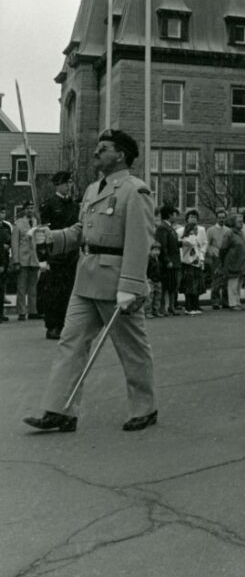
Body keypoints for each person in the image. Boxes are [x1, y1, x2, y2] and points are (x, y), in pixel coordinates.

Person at [23, 128, 157, 433]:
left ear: (120, 155)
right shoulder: (92, 190)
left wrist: (132, 286)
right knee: (70, 344)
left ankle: (144, 407)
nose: (96, 152)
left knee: (132, 348)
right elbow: (80, 233)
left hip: (117, 283)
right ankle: (60, 410)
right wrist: (50, 237)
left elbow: (139, 242)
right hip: (86, 278)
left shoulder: (136, 191)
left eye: (104, 147)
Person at [39, 170, 80, 339]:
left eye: (70, 183)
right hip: (55, 256)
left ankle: (65, 323)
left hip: (71, 255)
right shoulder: (49, 206)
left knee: (69, 290)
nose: (68, 186)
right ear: (57, 185)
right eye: (65, 183)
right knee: (54, 292)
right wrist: (42, 258)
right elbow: (41, 233)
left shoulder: (75, 206)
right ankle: (53, 325)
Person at [11, 201, 41, 321]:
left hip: (34, 259)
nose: (30, 210)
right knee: (21, 288)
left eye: (32, 208)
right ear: (23, 210)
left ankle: (33, 311)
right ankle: (22, 312)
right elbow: (15, 244)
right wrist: (16, 261)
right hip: (23, 260)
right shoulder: (18, 224)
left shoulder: (36, 223)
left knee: (33, 288)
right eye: (28, 208)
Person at [219, 214, 245, 309]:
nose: (242, 223)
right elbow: (223, 248)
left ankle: (237, 302)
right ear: (233, 223)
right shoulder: (229, 234)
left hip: (241, 262)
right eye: (239, 222)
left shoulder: (240, 233)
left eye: (242, 221)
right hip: (233, 261)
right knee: (233, 283)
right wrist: (223, 262)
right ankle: (232, 303)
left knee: (239, 283)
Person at [156, 204, 181, 315]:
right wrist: (167, 261)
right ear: (169, 215)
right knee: (166, 286)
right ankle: (164, 308)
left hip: (174, 260)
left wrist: (182, 243)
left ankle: (171, 306)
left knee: (172, 285)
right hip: (168, 262)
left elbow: (173, 243)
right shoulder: (163, 228)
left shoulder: (169, 227)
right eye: (174, 214)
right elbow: (163, 245)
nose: (176, 216)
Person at [179, 211, 205, 315]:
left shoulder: (201, 230)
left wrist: (201, 257)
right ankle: (188, 306)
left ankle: (195, 305)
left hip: (197, 261)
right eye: (191, 217)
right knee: (189, 285)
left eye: (195, 217)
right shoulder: (181, 231)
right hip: (187, 261)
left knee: (197, 284)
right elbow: (180, 246)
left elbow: (202, 244)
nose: (193, 219)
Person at [206, 207, 230, 309]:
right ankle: (215, 302)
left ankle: (225, 301)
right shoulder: (211, 230)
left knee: (226, 279)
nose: (221, 219)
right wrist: (211, 252)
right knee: (216, 279)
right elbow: (207, 243)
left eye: (223, 217)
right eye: (220, 217)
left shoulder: (228, 230)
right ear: (217, 218)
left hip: (226, 256)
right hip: (215, 256)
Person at [0, 206, 12, 323]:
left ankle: (1, 312)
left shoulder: (7, 226)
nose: (2, 214)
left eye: (3, 212)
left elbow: (11, 240)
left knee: (2, 287)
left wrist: (9, 245)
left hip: (5, 259)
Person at [146, 241, 163, 318]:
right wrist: (147, 278)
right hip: (151, 280)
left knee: (157, 296)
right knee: (150, 297)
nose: (157, 252)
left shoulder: (158, 260)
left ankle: (156, 310)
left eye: (158, 250)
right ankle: (148, 311)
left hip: (158, 280)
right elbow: (146, 270)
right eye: (155, 250)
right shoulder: (149, 260)